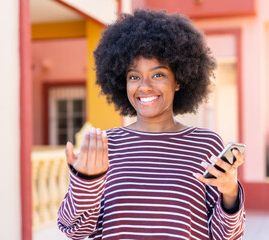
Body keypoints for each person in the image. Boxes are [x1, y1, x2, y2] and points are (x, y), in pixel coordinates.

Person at [58, 9, 245, 240]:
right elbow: (74, 230)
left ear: (178, 81)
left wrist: (230, 192)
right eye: (134, 76)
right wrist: (86, 182)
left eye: (158, 75)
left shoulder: (205, 145)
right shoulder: (106, 145)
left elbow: (226, 236)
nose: (144, 86)